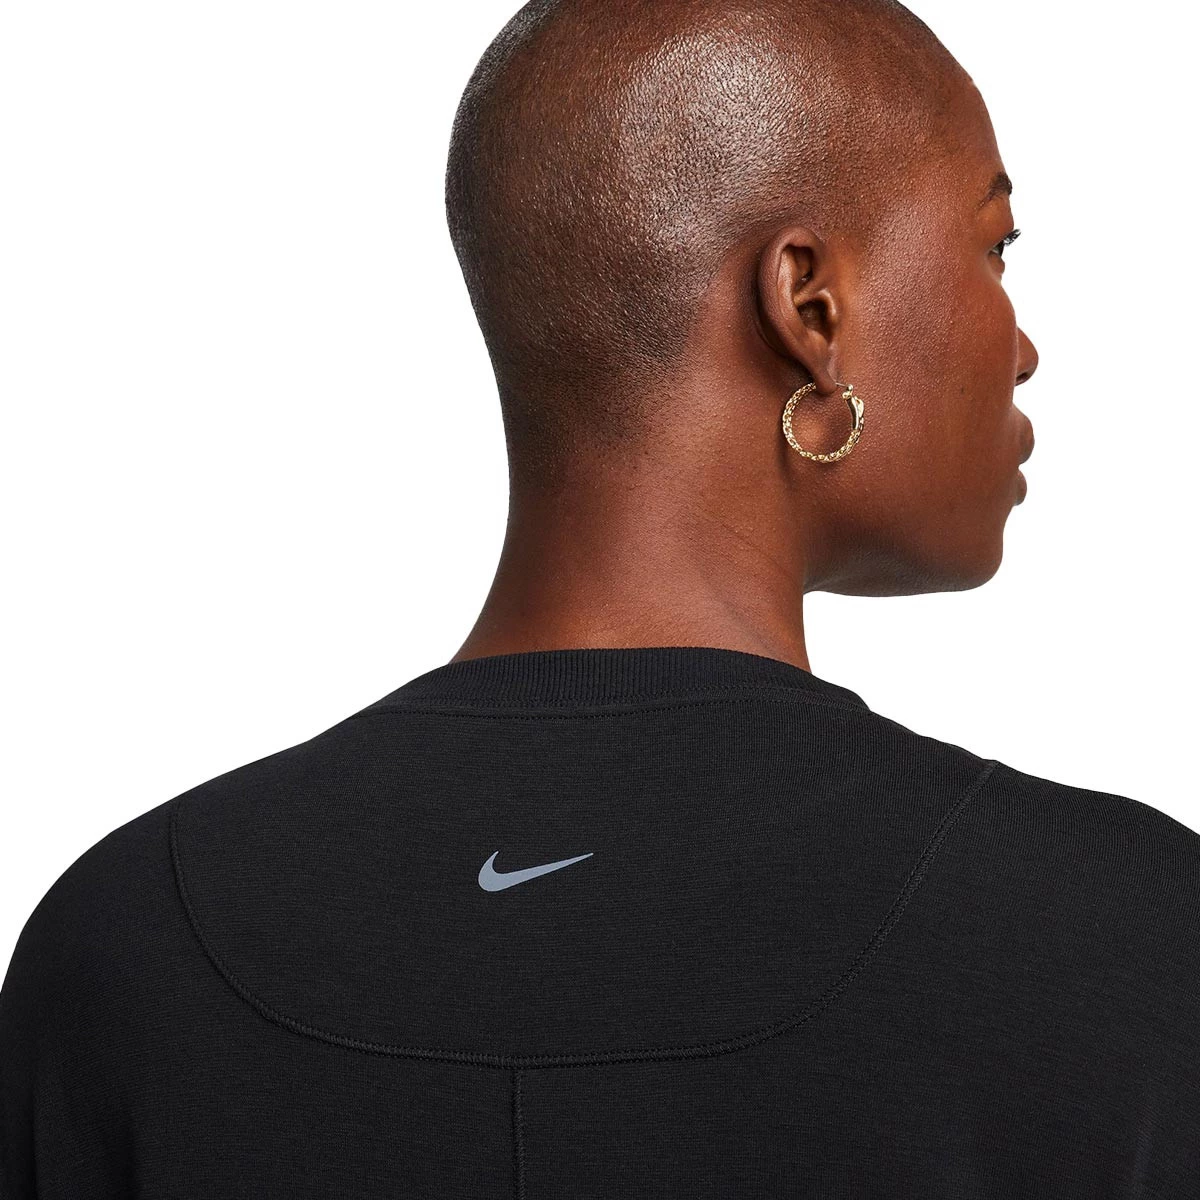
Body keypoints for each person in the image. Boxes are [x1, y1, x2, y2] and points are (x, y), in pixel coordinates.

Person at [2, 0, 1196, 1195]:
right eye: (995, 247)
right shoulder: (1126, 943)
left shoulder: (122, 947)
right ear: (809, 308)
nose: (1022, 347)